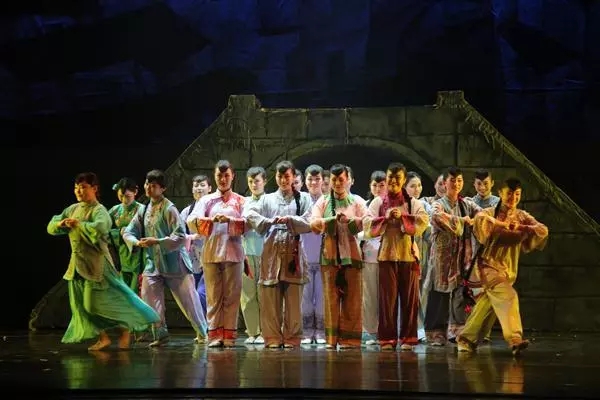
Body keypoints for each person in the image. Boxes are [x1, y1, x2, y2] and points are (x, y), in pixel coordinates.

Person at [47, 172, 159, 351]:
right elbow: (52, 225)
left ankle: (124, 329)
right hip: (77, 265)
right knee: (81, 306)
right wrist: (60, 224)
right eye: (76, 187)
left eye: (83, 187)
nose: (79, 191)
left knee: (94, 304)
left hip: (98, 265)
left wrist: (79, 225)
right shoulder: (73, 209)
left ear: (94, 188)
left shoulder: (99, 210)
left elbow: (101, 227)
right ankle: (104, 337)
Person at [457, 178, 548, 355]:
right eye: (509, 193)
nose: (513, 198)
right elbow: (480, 220)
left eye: (517, 194)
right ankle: (515, 339)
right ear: (500, 193)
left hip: (508, 268)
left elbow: (542, 230)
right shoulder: (490, 212)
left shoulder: (522, 216)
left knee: (489, 304)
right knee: (509, 296)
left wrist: (523, 227)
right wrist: (503, 225)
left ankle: (466, 339)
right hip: (488, 265)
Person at [123, 169, 207, 347]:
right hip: (153, 264)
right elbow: (128, 232)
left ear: (163, 189)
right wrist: (137, 243)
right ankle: (160, 334)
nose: (149, 188)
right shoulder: (144, 209)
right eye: (147, 184)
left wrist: (157, 241)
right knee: (149, 298)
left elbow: (180, 236)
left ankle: (203, 333)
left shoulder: (169, 208)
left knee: (189, 303)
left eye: (153, 185)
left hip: (175, 264)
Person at [244, 161, 312, 349]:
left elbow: (310, 220)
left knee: (293, 299)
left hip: (294, 252)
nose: (283, 180)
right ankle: (272, 337)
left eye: (287, 176)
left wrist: (291, 220)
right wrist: (269, 221)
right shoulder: (267, 199)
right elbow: (249, 213)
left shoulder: (304, 198)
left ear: (293, 177)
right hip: (271, 251)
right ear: (275, 177)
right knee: (270, 298)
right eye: (280, 176)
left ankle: (292, 338)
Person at [363, 163, 429, 351]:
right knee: (387, 300)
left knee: (409, 300)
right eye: (390, 177)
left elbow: (424, 221)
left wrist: (403, 217)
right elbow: (367, 223)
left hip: (408, 255)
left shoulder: (412, 203)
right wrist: (384, 218)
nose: (393, 181)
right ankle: (387, 339)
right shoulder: (378, 202)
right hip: (386, 256)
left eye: (397, 178)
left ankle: (408, 338)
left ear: (403, 180)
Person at [187, 160, 246, 348]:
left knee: (232, 296)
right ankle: (214, 335)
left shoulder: (240, 201)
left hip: (233, 253)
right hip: (211, 252)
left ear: (232, 176)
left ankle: (229, 335)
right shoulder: (206, 200)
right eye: (219, 175)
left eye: (226, 175)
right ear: (215, 176)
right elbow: (192, 220)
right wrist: (210, 220)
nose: (223, 179)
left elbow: (248, 223)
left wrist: (230, 220)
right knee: (213, 296)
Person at [310, 164, 369, 349]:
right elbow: (313, 223)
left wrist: (349, 222)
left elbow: (368, 221)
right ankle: (331, 340)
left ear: (348, 180)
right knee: (331, 299)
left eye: (341, 179)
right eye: (334, 180)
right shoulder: (323, 202)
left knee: (353, 300)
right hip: (330, 256)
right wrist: (331, 221)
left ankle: (350, 340)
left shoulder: (357, 202)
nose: (337, 183)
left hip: (352, 256)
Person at [241, 166, 268, 344]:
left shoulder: (270, 201)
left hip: (265, 252)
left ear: (264, 181)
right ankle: (253, 332)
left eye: (257, 181)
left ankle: (266, 331)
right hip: (247, 251)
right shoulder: (243, 202)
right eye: (250, 182)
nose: (254, 184)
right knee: (248, 294)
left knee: (265, 294)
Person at [180, 174, 212, 314]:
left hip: (211, 258)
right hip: (193, 260)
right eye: (196, 186)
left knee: (202, 294)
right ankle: (201, 325)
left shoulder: (214, 209)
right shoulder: (186, 212)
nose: (199, 188)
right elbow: (178, 235)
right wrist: (191, 237)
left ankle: (206, 324)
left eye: (202, 185)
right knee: (193, 295)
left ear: (210, 188)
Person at [107, 177, 145, 293]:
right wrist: (118, 233)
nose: (124, 200)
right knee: (123, 293)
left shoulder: (142, 210)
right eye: (121, 196)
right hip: (121, 254)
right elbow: (103, 230)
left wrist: (129, 233)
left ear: (135, 192)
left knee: (135, 291)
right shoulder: (115, 210)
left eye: (127, 196)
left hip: (138, 254)